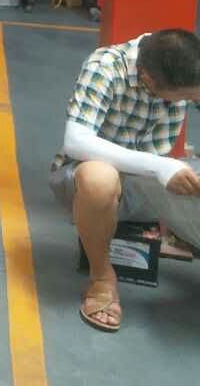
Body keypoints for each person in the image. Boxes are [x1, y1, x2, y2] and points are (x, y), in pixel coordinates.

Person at [50, 29, 200, 333]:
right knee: (100, 178)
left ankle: (184, 234)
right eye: (186, 97)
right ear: (149, 81)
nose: (192, 101)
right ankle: (102, 279)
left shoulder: (182, 67)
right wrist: (160, 166)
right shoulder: (105, 66)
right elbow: (76, 142)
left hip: (147, 180)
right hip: (88, 183)